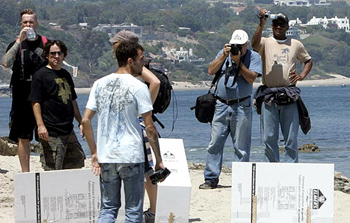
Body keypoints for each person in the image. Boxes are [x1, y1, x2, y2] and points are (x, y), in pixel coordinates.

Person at [81, 41, 165, 223]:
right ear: (130, 60)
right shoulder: (139, 87)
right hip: (131, 156)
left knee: (108, 209)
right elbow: (149, 127)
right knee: (133, 211)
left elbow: (85, 120)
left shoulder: (99, 84)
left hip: (107, 155)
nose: (143, 64)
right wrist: (158, 160)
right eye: (141, 59)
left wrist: (94, 151)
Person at [199, 30, 262, 189]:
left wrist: (238, 62)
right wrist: (223, 56)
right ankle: (211, 178)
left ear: (246, 44)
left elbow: (251, 78)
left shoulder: (253, 57)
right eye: (235, 45)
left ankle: (241, 180)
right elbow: (211, 70)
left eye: (240, 46)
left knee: (241, 146)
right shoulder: (223, 53)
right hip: (221, 104)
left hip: (242, 105)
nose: (237, 48)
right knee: (215, 143)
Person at [109, 30, 160, 223]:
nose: (112, 48)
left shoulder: (135, 65)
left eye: (115, 44)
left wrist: (144, 109)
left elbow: (154, 82)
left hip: (138, 122)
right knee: (144, 169)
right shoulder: (129, 65)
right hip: (136, 121)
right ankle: (150, 210)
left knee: (147, 170)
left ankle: (153, 210)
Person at [252, 10, 313, 163]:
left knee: (291, 138)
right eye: (276, 24)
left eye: (282, 24)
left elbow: (307, 60)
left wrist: (302, 76)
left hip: (289, 95)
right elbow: (254, 45)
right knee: (269, 137)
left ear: (287, 26)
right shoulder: (266, 42)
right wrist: (261, 23)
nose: (279, 27)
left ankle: (291, 170)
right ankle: (272, 169)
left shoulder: (296, 44)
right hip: (269, 96)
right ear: (272, 26)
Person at [1, 9, 48, 172]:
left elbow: (55, 65)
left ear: (37, 23)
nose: (28, 25)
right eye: (25, 22)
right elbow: (5, 63)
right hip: (22, 97)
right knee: (23, 136)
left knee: (47, 134)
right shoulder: (16, 44)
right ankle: (26, 172)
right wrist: (19, 42)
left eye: (31, 22)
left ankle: (49, 168)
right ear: (21, 24)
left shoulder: (46, 43)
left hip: (44, 97)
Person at [28, 40, 85, 170]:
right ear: (47, 55)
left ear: (64, 55)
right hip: (51, 130)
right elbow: (35, 102)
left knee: (76, 162)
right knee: (53, 167)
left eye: (59, 53)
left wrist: (81, 122)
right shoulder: (40, 75)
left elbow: (72, 100)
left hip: (68, 129)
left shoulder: (65, 74)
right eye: (53, 53)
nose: (57, 56)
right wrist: (40, 126)